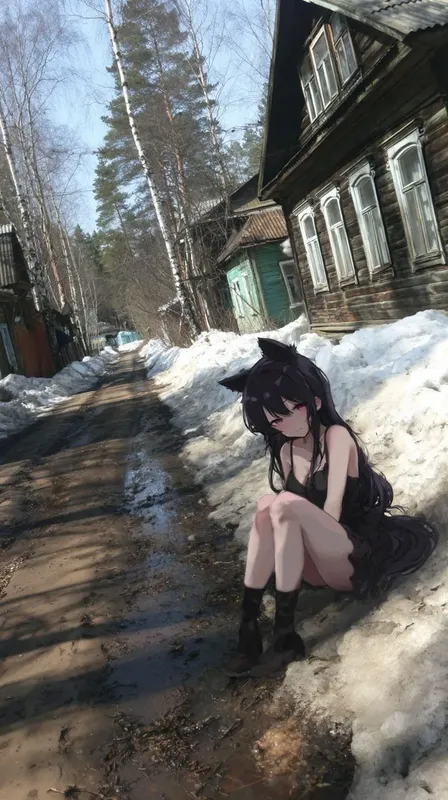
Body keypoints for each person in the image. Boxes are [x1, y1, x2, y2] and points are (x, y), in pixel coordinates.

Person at [218, 338, 438, 678]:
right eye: (271, 421)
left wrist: (292, 514)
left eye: (284, 414)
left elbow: (331, 510)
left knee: (283, 502)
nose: (279, 425)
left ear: (313, 401)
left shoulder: (336, 437)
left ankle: (284, 634)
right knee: (266, 505)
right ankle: (248, 628)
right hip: (313, 566)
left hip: (349, 558)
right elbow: (287, 521)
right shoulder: (287, 450)